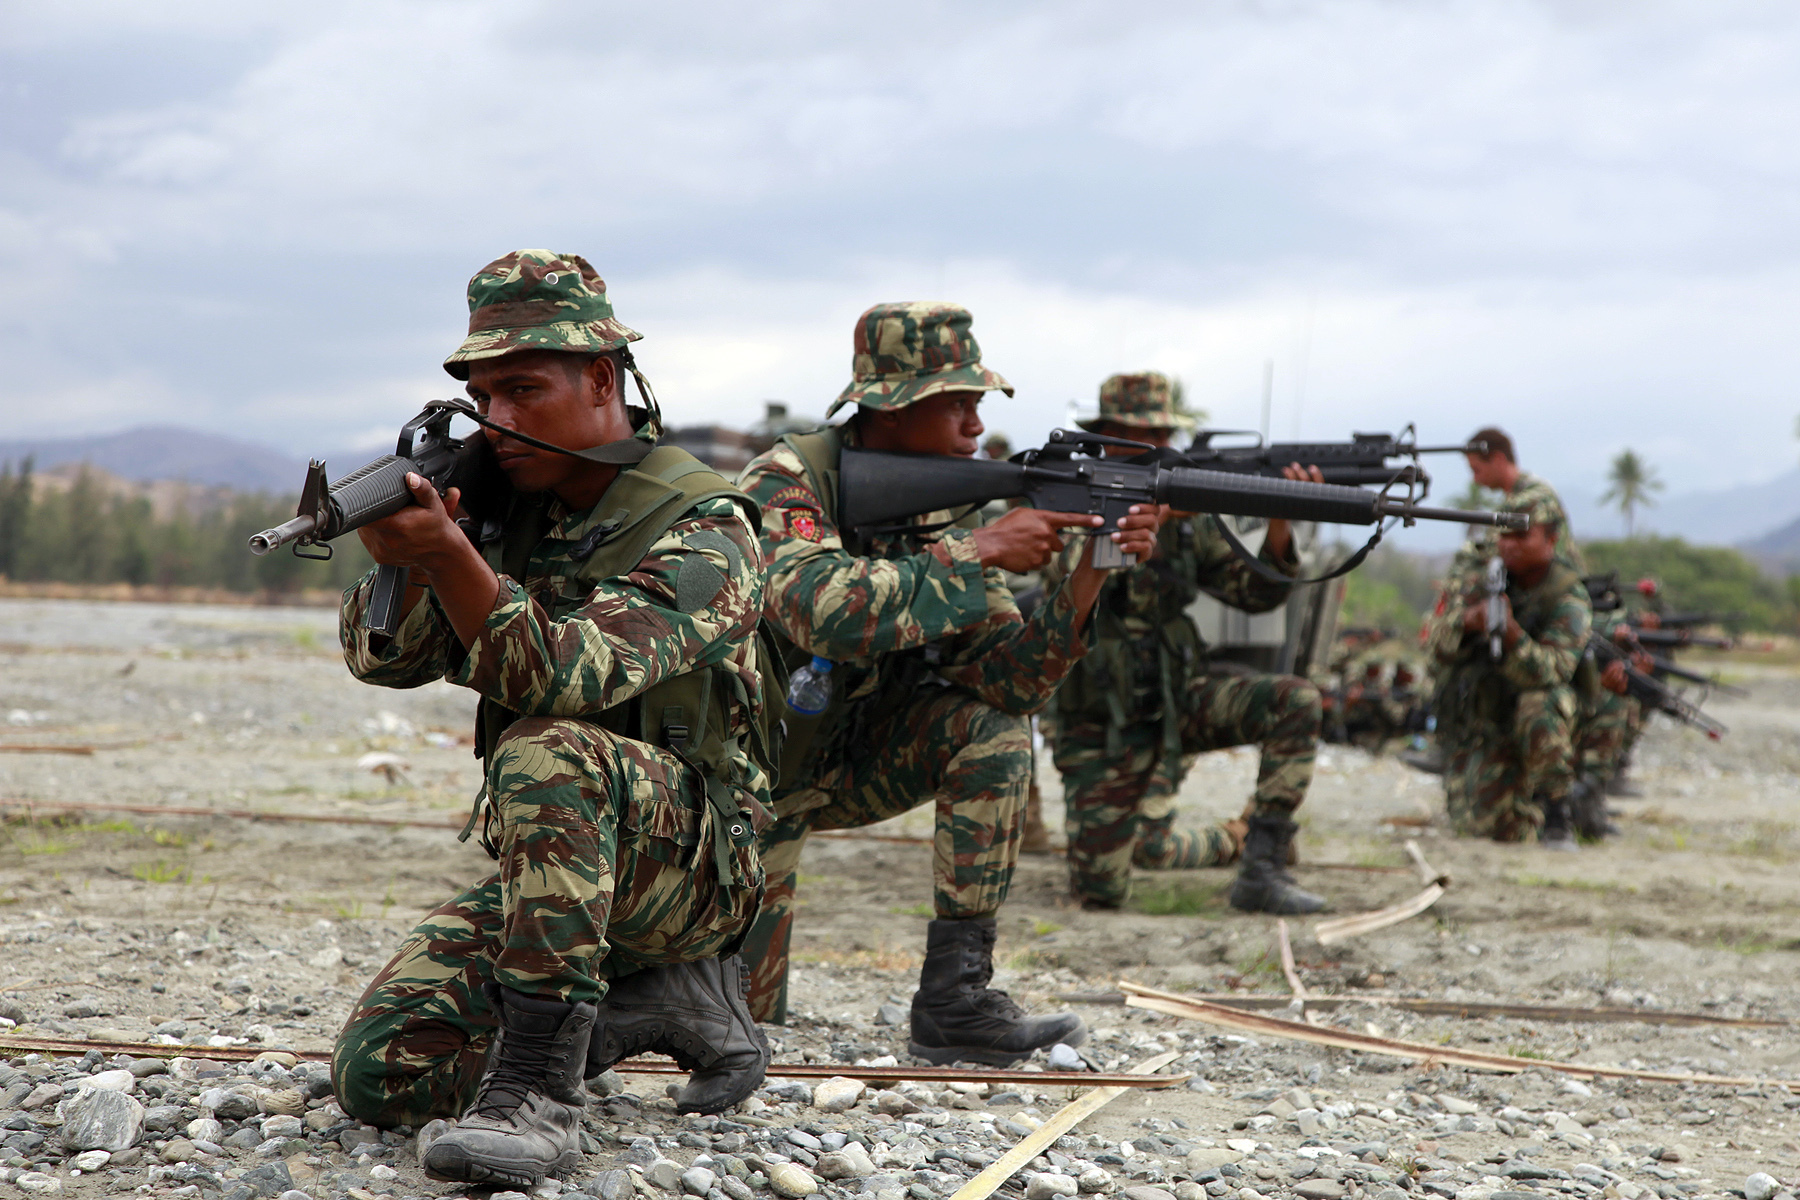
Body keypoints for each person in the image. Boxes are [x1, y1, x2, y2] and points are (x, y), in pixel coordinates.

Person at [330, 251, 773, 1187]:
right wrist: (428, 551)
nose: (500, 420)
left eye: (524, 389)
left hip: (690, 865)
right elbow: (384, 662)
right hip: (562, 878)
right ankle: (658, 1004)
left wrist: (454, 557)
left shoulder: (707, 525)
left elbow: (571, 675)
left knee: (544, 751)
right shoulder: (507, 510)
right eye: (483, 397)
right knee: (382, 1073)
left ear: (603, 379)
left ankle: (538, 1094)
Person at [735, 302, 1160, 1065]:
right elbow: (820, 614)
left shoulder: (942, 511)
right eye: (957, 402)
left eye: (978, 403)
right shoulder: (789, 481)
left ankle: (955, 1003)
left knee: (991, 736)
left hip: (842, 759)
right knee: (736, 1022)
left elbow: (1011, 681)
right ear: (892, 408)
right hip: (743, 784)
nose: (975, 424)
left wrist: (1091, 574)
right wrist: (981, 549)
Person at [1043, 371, 1327, 915]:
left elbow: (1255, 595)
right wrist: (1158, 515)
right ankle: (1232, 838)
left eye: (1163, 437)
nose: (1158, 449)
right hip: (1103, 721)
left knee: (1296, 701)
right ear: (1105, 437)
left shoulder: (1190, 521)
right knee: (1103, 890)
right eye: (1141, 436)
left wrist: (1280, 525)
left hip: (1177, 702)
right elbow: (1068, 585)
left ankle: (1263, 867)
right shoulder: (1074, 497)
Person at [1428, 493, 1592, 846]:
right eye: (1504, 536)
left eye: (1521, 536)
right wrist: (1467, 623)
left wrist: (1514, 637)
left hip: (1547, 718)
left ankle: (1557, 811)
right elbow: (1434, 646)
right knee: (1488, 829)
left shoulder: (1567, 595)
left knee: (1541, 702)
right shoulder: (1482, 581)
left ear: (1550, 540)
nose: (1510, 545)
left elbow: (1554, 671)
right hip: (1490, 719)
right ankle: (1521, 799)